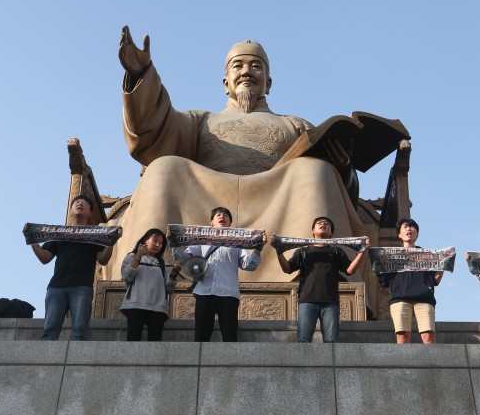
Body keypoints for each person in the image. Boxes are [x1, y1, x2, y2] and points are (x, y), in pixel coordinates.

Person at [109, 26, 404, 284]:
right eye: (237, 66)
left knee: (315, 170)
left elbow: (340, 188)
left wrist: (343, 166)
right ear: (225, 81)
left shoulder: (295, 125)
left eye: (256, 66)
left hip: (278, 200)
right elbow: (155, 133)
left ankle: (319, 273)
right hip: (209, 200)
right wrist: (141, 75)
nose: (247, 72)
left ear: (269, 82)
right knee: (164, 166)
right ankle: (151, 271)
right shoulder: (201, 121)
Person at [172, 207, 265, 342]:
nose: (222, 216)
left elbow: (249, 265)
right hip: (204, 291)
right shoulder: (201, 240)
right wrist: (175, 242)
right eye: (218, 215)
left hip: (228, 293)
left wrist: (258, 249)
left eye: (226, 215)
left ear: (230, 223)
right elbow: (184, 260)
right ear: (212, 223)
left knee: (230, 335)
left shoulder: (238, 243)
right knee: (201, 335)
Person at [30, 195, 117, 341]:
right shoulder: (60, 233)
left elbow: (103, 259)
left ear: (90, 213)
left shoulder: (95, 235)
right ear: (70, 210)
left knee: (80, 331)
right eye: (76, 202)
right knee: (49, 331)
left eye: (84, 202)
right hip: (57, 286)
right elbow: (45, 258)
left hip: (82, 287)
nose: (80, 203)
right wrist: (32, 241)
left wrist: (111, 242)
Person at [273, 217, 367, 343]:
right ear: (313, 230)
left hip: (330, 301)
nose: (323, 224)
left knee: (331, 340)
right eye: (319, 223)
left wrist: (362, 252)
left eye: (327, 223)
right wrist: (279, 252)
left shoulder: (336, 251)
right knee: (304, 340)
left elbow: (350, 270)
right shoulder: (303, 251)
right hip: (307, 300)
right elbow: (287, 269)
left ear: (331, 232)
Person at [377, 218, 442, 344]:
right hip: (400, 298)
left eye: (412, 227)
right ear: (399, 234)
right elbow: (384, 282)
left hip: (424, 298)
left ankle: (432, 358)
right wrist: (377, 266)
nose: (409, 229)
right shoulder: (391, 256)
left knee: (428, 336)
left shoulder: (427, 255)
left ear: (417, 234)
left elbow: (435, 280)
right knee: (402, 337)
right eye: (405, 227)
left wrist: (443, 265)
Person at [120, 228, 181, 341]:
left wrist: (173, 274)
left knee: (155, 342)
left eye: (161, 243)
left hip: (158, 308)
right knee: (133, 340)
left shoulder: (163, 264)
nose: (158, 245)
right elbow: (127, 277)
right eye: (155, 241)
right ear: (145, 240)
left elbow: (169, 288)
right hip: (135, 305)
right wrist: (138, 256)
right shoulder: (131, 257)